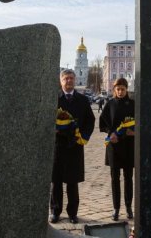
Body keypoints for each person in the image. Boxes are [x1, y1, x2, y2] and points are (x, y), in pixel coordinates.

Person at [50, 69, 95, 224]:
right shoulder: (53, 98)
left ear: (75, 80)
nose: (69, 81)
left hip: (75, 145)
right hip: (57, 145)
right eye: (65, 78)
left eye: (71, 78)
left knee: (72, 181)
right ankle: (55, 211)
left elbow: (90, 120)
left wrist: (84, 136)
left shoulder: (82, 100)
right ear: (60, 81)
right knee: (56, 181)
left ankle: (72, 213)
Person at [99, 78, 135, 221]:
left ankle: (128, 207)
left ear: (126, 90)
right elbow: (102, 123)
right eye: (118, 89)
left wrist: (135, 131)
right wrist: (111, 132)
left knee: (128, 178)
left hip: (129, 146)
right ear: (114, 90)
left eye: (123, 89)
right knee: (115, 178)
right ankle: (116, 208)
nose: (120, 92)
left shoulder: (133, 104)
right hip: (113, 146)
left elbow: (140, 121)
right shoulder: (110, 104)